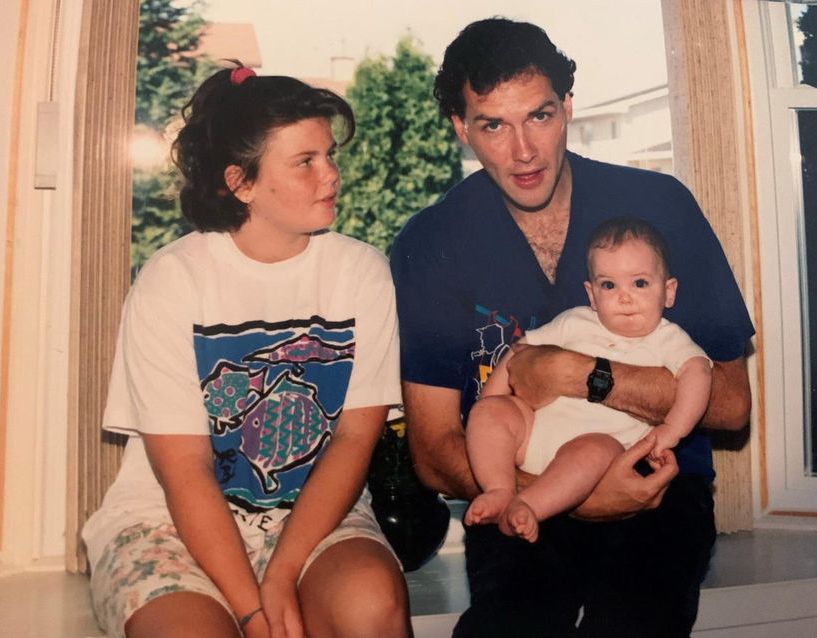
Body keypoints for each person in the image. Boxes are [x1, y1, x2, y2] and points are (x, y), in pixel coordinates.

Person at [390, 17, 753, 638]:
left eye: (539, 116)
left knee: (632, 624)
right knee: (509, 627)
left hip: (655, 487)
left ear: (568, 109)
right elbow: (431, 450)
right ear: (460, 128)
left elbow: (730, 405)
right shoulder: (430, 244)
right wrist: (563, 495)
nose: (523, 151)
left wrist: (584, 375)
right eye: (493, 125)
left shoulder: (658, 206)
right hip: (516, 489)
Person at [82, 66, 411, 638]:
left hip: (313, 514)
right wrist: (255, 613)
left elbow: (356, 437)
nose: (331, 174)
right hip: (167, 519)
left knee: (372, 605)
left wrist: (283, 571)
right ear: (242, 182)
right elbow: (184, 470)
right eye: (305, 161)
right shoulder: (173, 280)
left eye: (329, 155)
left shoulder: (362, 273)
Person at [465, 217, 712, 542]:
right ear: (592, 295)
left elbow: (698, 374)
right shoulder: (574, 321)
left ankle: (527, 506)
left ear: (668, 292)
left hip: (598, 453)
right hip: (534, 433)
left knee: (594, 448)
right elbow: (520, 349)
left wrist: (672, 430)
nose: (624, 297)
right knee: (488, 414)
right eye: (609, 285)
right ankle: (500, 489)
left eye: (639, 283)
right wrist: (492, 400)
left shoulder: (668, 340)